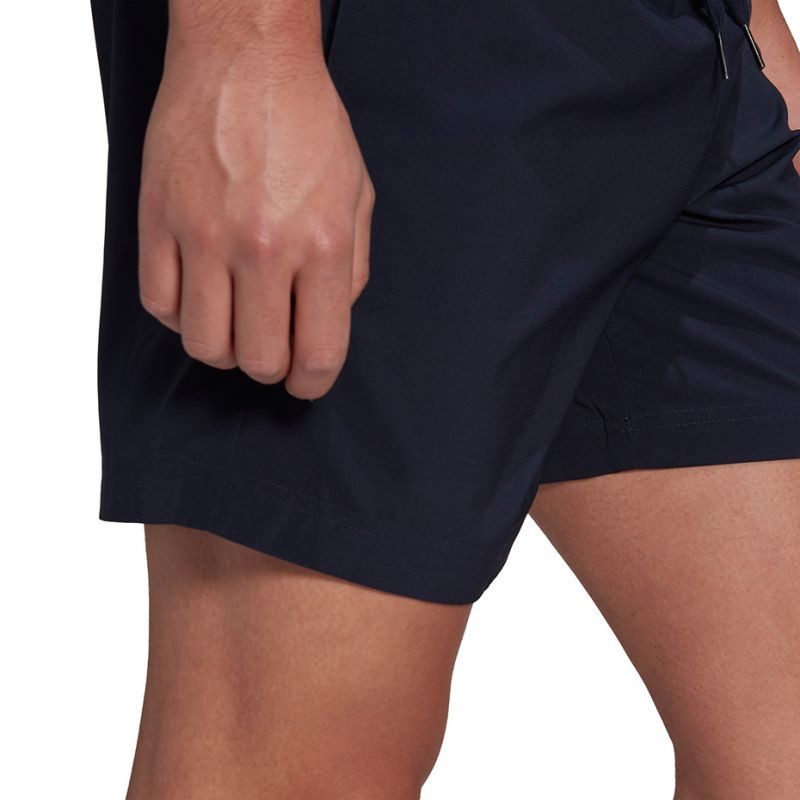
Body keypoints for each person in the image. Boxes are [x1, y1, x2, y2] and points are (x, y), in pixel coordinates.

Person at [91, 0, 800, 797]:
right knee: (294, 762)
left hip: (697, 49)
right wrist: (248, 45)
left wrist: (757, 27)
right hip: (391, 45)